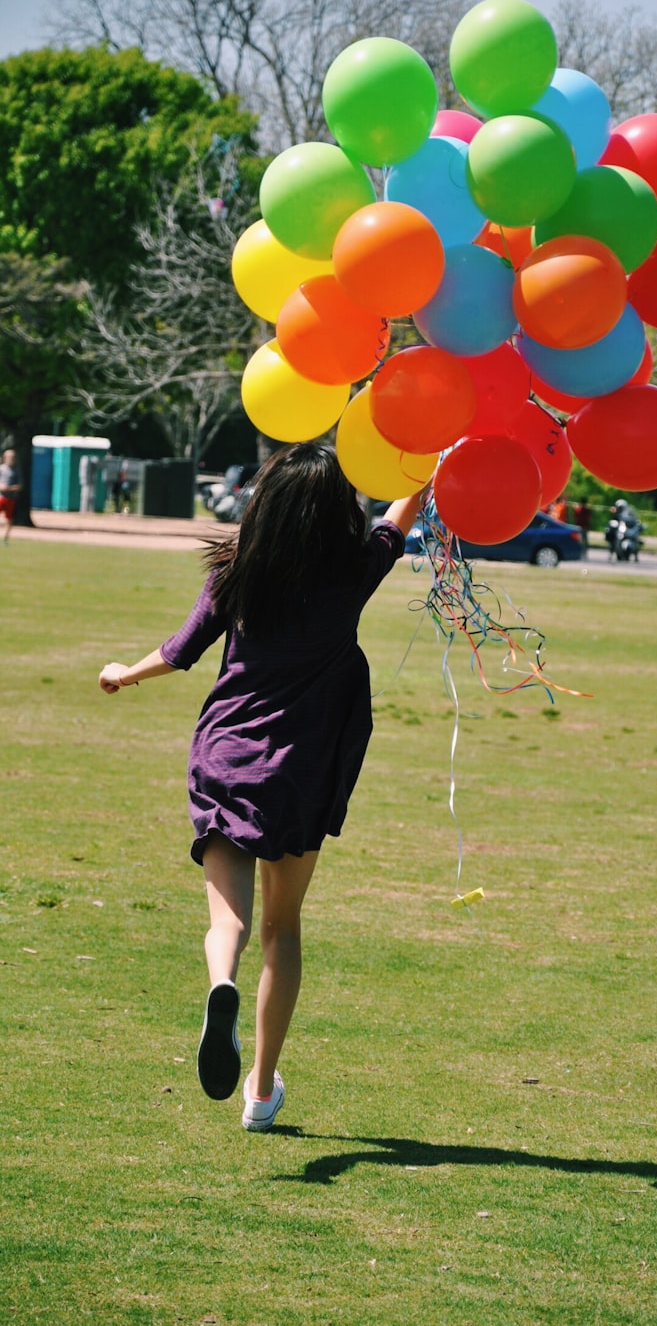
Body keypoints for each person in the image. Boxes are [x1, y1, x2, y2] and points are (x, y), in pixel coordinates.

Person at [98, 440, 427, 1131]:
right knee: (283, 928)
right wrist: (437, 462)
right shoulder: (352, 571)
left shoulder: (235, 570)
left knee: (231, 921)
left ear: (266, 501)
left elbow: (180, 650)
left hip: (224, 757)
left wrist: (122, 671)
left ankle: (221, 983)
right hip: (301, 771)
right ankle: (260, 1088)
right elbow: (400, 517)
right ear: (337, 508)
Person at [0, 448, 21, 544]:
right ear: (4, 458)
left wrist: (9, 488)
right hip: (1, 497)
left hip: (11, 498)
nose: (11, 459)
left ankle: (5, 539)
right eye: (9, 457)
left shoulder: (17, 470)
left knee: (9, 519)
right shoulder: (1, 469)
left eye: (12, 457)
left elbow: (20, 485)